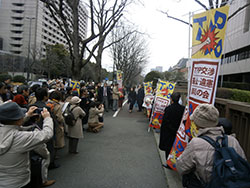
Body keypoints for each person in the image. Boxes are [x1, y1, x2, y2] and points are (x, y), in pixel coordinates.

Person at [176, 104, 246, 184]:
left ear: (197, 124)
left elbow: (181, 167)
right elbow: (243, 162)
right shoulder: (232, 140)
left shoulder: (196, 143)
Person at [0, 102, 53, 188]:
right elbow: (47, 134)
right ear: (17, 120)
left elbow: (13, 125)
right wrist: (47, 118)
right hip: (18, 182)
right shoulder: (20, 138)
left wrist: (27, 115)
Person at [159, 92, 185, 162]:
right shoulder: (183, 109)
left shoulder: (168, 109)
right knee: (176, 147)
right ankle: (175, 161)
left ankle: (169, 162)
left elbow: (165, 122)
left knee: (168, 148)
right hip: (178, 132)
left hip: (169, 132)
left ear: (171, 99)